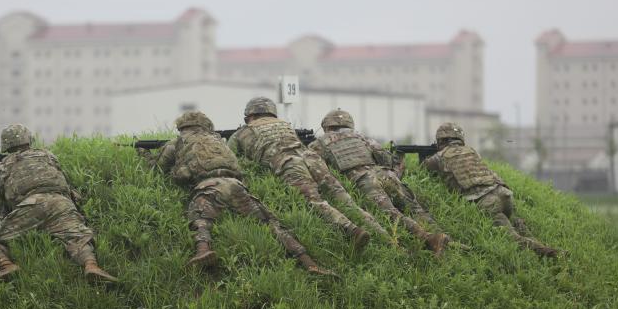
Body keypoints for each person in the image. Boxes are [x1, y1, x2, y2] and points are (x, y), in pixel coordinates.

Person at [140, 111, 336, 276]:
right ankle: (308, 261)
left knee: (200, 218)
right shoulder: (218, 141)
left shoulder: (178, 142)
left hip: (209, 186)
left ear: (182, 127)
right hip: (236, 185)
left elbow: (157, 169)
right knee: (271, 223)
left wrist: (146, 155)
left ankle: (203, 251)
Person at [228, 97, 390, 249]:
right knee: (345, 199)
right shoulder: (284, 124)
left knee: (314, 200)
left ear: (250, 116)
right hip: (311, 158)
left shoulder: (242, 132)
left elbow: (231, 161)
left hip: (288, 162)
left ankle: (352, 230)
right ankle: (385, 236)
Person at [0, 124, 118, 282]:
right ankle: (91, 265)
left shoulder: (2, 165)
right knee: (79, 237)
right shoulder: (47, 155)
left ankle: (6, 265)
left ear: (6, 144)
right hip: (61, 202)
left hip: (30, 206)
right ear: (28, 139)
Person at [309, 109, 451, 255]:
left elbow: (316, 169)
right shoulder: (361, 137)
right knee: (415, 207)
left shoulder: (319, 143)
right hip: (385, 174)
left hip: (364, 179)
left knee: (391, 213)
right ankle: (447, 239)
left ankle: (429, 238)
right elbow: (387, 158)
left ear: (326, 126)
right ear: (349, 125)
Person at [423, 122, 560, 258]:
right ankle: (530, 235)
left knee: (512, 238)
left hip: (488, 201)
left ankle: (550, 253)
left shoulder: (440, 156)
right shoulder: (472, 151)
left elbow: (423, 168)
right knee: (512, 220)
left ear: (440, 140)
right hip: (504, 194)